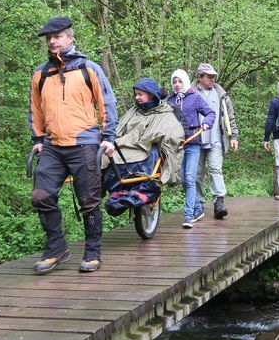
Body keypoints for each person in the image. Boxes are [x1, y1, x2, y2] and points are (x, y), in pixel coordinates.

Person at [29, 16, 118, 273]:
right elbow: (35, 110)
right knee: (40, 196)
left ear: (70, 37)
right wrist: (37, 139)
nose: (52, 41)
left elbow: (107, 103)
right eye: (49, 38)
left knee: (89, 201)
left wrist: (108, 137)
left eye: (57, 36)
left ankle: (92, 252)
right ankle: (57, 249)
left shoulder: (87, 68)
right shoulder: (40, 74)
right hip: (53, 146)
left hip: (85, 144)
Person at [102, 78, 184, 215]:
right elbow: (118, 129)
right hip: (125, 145)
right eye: (136, 94)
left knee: (150, 156)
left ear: (151, 94)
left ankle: (139, 193)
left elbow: (174, 135)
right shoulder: (133, 111)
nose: (137, 97)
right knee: (105, 157)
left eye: (140, 94)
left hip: (145, 149)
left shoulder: (165, 113)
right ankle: (116, 192)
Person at [167, 69, 215, 228]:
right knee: (183, 180)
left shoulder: (195, 97)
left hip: (193, 143)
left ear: (185, 81)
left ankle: (188, 216)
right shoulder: (169, 101)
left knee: (190, 178)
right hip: (177, 146)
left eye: (179, 81)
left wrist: (206, 123)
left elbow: (210, 113)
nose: (177, 84)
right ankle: (197, 208)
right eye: (174, 82)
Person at [193, 63, 239, 219]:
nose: (213, 79)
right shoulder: (190, 92)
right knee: (197, 174)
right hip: (195, 140)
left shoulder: (221, 93)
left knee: (215, 170)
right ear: (200, 77)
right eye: (209, 76)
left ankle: (219, 202)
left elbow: (229, 116)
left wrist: (233, 136)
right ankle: (198, 203)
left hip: (216, 139)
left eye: (214, 76)